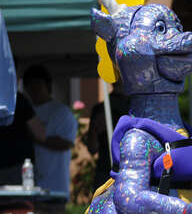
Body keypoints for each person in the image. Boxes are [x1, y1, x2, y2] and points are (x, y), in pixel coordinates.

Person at [21, 65, 78, 196]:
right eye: (29, 85)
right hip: (28, 185)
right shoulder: (25, 111)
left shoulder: (62, 112)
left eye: (37, 84)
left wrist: (37, 139)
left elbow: (66, 143)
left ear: (47, 85)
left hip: (55, 185)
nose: (34, 88)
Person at [85, 85, 129, 191]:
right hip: (106, 170)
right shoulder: (102, 108)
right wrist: (96, 129)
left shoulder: (134, 106)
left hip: (130, 169)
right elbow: (92, 148)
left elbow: (92, 148)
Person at [0, 91, 46, 185]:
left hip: (17, 167)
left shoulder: (17, 98)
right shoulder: (15, 98)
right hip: (19, 167)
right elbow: (40, 134)